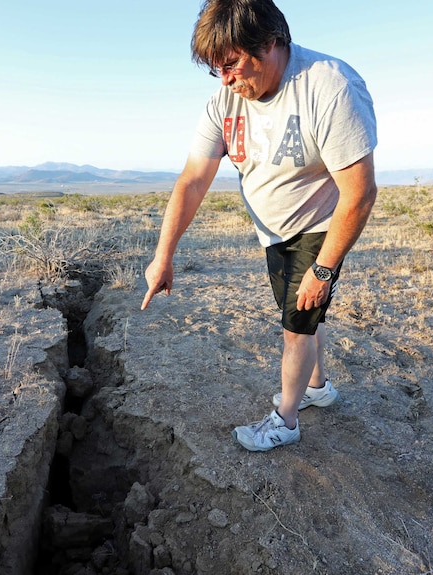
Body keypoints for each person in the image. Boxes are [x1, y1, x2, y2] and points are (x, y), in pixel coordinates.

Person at [140, 0, 378, 452]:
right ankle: (318, 389)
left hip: (320, 223)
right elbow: (192, 181)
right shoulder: (224, 102)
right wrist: (163, 255)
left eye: (231, 65)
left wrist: (324, 269)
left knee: (296, 324)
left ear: (269, 43)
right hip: (273, 230)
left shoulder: (329, 86)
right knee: (306, 315)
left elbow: (360, 193)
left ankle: (286, 421)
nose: (226, 80)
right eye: (216, 70)